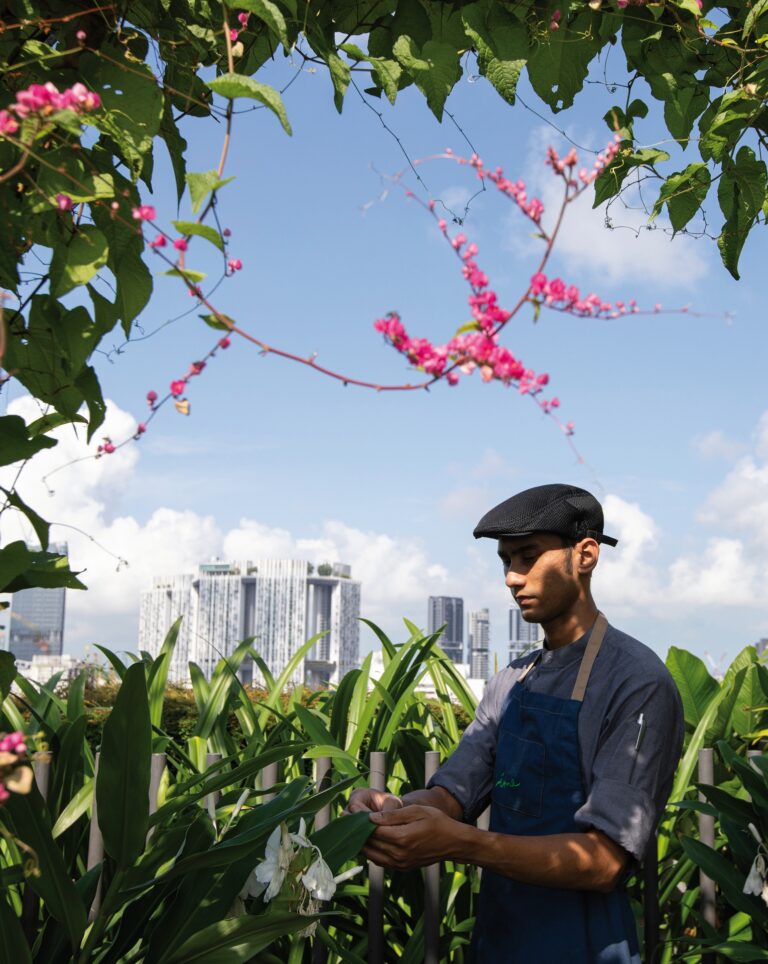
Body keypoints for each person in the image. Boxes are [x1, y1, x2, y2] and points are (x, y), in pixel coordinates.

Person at [347, 483, 684, 963]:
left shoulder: (636, 682)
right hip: (500, 940)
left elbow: (605, 861)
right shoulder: (510, 681)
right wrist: (391, 812)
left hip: (587, 946)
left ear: (585, 555)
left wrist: (465, 844)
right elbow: (452, 795)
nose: (512, 577)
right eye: (506, 561)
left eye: (527, 556)